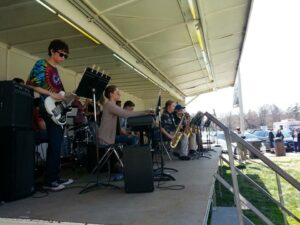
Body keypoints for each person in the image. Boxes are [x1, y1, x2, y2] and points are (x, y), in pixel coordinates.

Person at [26, 39, 73, 191]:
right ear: (52, 51)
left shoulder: (56, 70)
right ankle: (50, 181)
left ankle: (55, 177)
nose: (63, 58)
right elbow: (31, 85)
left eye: (66, 56)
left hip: (55, 108)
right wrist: (52, 94)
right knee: (55, 143)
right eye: (61, 54)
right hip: (46, 106)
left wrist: (70, 96)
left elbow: (60, 94)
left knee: (57, 144)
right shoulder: (42, 64)